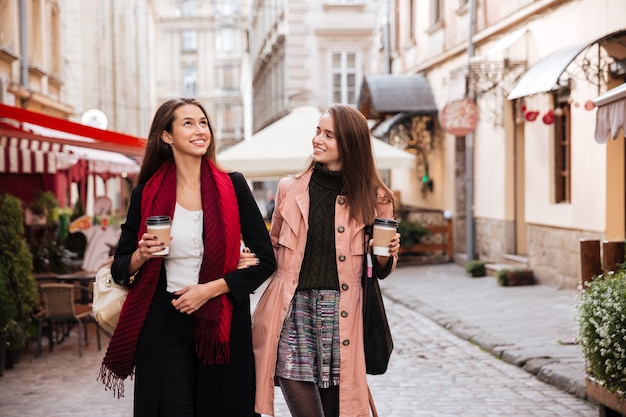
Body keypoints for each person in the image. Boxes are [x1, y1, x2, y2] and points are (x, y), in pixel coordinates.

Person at [98, 98, 276, 416]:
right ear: (167, 136)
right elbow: (121, 269)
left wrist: (212, 288)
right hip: (165, 321)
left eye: (203, 122)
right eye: (188, 123)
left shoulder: (234, 186)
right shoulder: (146, 193)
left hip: (221, 321)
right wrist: (140, 254)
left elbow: (266, 259)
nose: (199, 130)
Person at [251, 104, 401, 417]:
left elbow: (381, 270)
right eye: (318, 131)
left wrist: (386, 253)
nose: (318, 139)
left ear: (350, 144)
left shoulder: (375, 198)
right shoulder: (289, 189)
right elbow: (273, 251)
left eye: (329, 135)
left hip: (342, 317)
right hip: (291, 312)